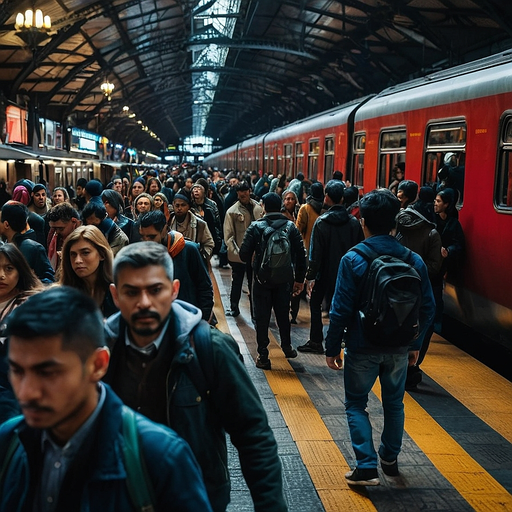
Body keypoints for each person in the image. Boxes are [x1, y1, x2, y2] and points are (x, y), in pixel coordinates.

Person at [103, 242, 286, 512]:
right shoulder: (99, 352)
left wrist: (270, 506)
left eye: (155, 290)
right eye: (131, 292)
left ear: (174, 290)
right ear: (116, 296)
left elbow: (253, 434)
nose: (144, 302)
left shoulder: (209, 348)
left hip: (195, 498)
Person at [0, 286, 212, 511]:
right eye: (17, 371)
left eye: (48, 373)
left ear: (98, 364)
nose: (26, 392)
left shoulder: (161, 457)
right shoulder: (8, 442)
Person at [325, 189, 435, 486]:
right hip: (399, 348)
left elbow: (340, 309)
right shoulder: (414, 260)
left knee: (356, 403)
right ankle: (389, 457)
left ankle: (366, 466)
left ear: (364, 223)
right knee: (394, 403)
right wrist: (414, 344)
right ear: (395, 223)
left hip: (362, 345)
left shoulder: (353, 259)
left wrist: (331, 347)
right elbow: (429, 308)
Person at [239, 192, 307, 369]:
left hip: (262, 281)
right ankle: (287, 346)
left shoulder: (255, 227)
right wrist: (299, 280)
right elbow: (301, 255)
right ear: (281, 207)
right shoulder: (291, 227)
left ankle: (263, 355)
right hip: (284, 280)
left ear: (264, 207)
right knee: (283, 313)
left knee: (262, 317)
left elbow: (243, 254)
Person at [298, 180, 363, 354]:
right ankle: (342, 338)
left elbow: (315, 254)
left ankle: (316, 341)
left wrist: (310, 276)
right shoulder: (354, 223)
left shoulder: (321, 222)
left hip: (323, 274)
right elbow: (360, 249)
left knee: (315, 304)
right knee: (343, 306)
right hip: (347, 273)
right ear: (342, 198)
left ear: (326, 197)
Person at [138, 211, 214, 321]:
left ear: (164, 230)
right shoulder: (143, 254)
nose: (147, 242)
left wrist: (204, 319)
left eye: (152, 237)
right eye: (143, 237)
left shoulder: (188, 250)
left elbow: (204, 287)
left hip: (188, 317)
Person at [223, 182, 264, 317]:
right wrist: (238, 254)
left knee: (255, 284)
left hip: (256, 254)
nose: (243, 194)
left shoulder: (258, 208)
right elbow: (228, 236)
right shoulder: (232, 212)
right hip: (240, 255)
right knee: (237, 282)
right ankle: (234, 307)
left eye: (245, 191)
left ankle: (255, 311)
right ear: (237, 194)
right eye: (240, 192)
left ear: (249, 191)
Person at [59, 225, 118, 317]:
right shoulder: (61, 295)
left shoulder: (119, 291)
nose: (77, 260)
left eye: (85, 253)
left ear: (102, 254)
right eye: (73, 254)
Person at [433, 188, 465, 330]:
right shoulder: (432, 219)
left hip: (442, 264)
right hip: (430, 262)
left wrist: (449, 251)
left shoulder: (453, 223)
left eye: (438, 201)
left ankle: (437, 322)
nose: (435, 204)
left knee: (436, 294)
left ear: (446, 205)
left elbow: (459, 244)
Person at [0, 201, 54, 284]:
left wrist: (30, 283)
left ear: (6, 225)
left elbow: (49, 280)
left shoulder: (33, 248)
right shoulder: (4, 246)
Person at [169, 193, 214, 264]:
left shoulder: (200, 224)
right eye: (177, 205)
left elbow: (209, 244)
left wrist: (200, 257)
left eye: (183, 205)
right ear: (173, 206)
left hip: (193, 263)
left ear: (188, 206)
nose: (179, 208)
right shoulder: (168, 223)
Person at [46, 202, 82, 271]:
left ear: (74, 222)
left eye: (61, 229)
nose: (57, 232)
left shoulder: (85, 239)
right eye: (55, 228)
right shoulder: (52, 234)